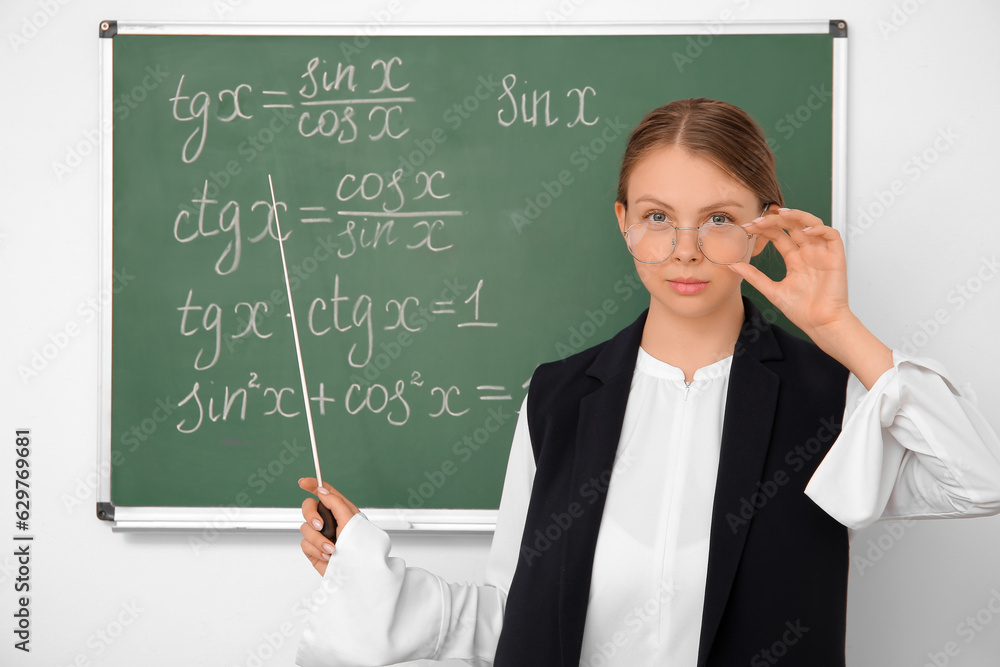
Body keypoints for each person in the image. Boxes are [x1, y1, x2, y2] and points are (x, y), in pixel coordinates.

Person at [294, 98, 1000, 666]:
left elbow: (978, 481)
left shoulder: (828, 397)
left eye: (718, 219)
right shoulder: (559, 399)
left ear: (762, 228)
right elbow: (517, 614)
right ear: (624, 223)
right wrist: (369, 575)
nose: (685, 250)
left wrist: (838, 328)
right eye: (658, 217)